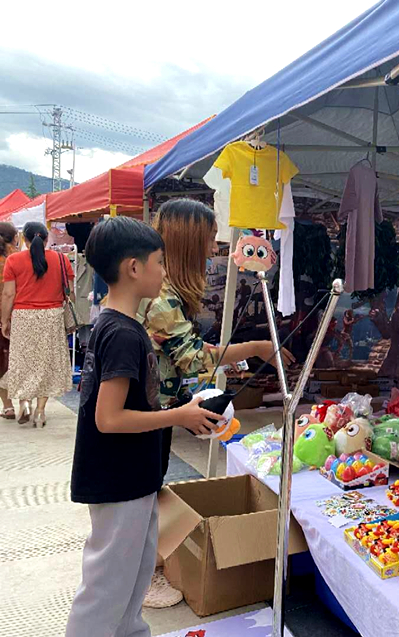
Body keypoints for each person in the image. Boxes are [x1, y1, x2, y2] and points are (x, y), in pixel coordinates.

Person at [65, 217, 218, 636]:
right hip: (118, 481)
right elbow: (108, 418)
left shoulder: (119, 326)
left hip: (135, 476)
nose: (164, 271)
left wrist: (184, 411)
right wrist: (179, 416)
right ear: (134, 268)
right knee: (106, 588)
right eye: (159, 262)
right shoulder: (122, 334)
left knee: (131, 582)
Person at [138, 198, 294, 607]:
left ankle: (145, 568)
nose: (214, 251)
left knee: (148, 491)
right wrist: (255, 347)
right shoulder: (163, 300)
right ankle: (142, 576)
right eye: (209, 241)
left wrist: (252, 348)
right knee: (140, 497)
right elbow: (193, 357)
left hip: (156, 411)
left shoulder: (167, 293)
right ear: (188, 242)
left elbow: (189, 347)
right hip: (146, 415)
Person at [0, 221, 74, 427]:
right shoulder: (61, 260)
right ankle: (40, 411)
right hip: (52, 317)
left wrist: (5, 321)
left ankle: (24, 404)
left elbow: (8, 294)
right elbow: (70, 293)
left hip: (23, 317)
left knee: (24, 363)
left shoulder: (13, 260)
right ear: (47, 238)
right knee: (47, 365)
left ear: (24, 239)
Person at [0, 222, 21, 420]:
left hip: (4, 317)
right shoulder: (17, 260)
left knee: (2, 362)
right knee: (16, 361)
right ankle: (24, 404)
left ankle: (8, 406)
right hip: (19, 316)